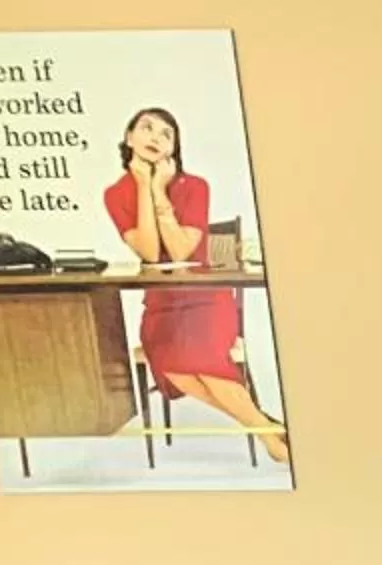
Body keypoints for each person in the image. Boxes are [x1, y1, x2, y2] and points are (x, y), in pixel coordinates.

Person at [102, 107, 287, 464]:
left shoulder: (195, 186)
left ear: (173, 148)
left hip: (207, 300)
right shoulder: (116, 193)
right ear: (129, 138)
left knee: (198, 357)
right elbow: (150, 252)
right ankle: (269, 429)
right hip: (162, 306)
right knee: (174, 361)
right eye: (147, 128)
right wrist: (143, 186)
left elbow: (180, 250)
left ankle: (272, 442)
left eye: (166, 134)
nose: (156, 137)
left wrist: (159, 191)